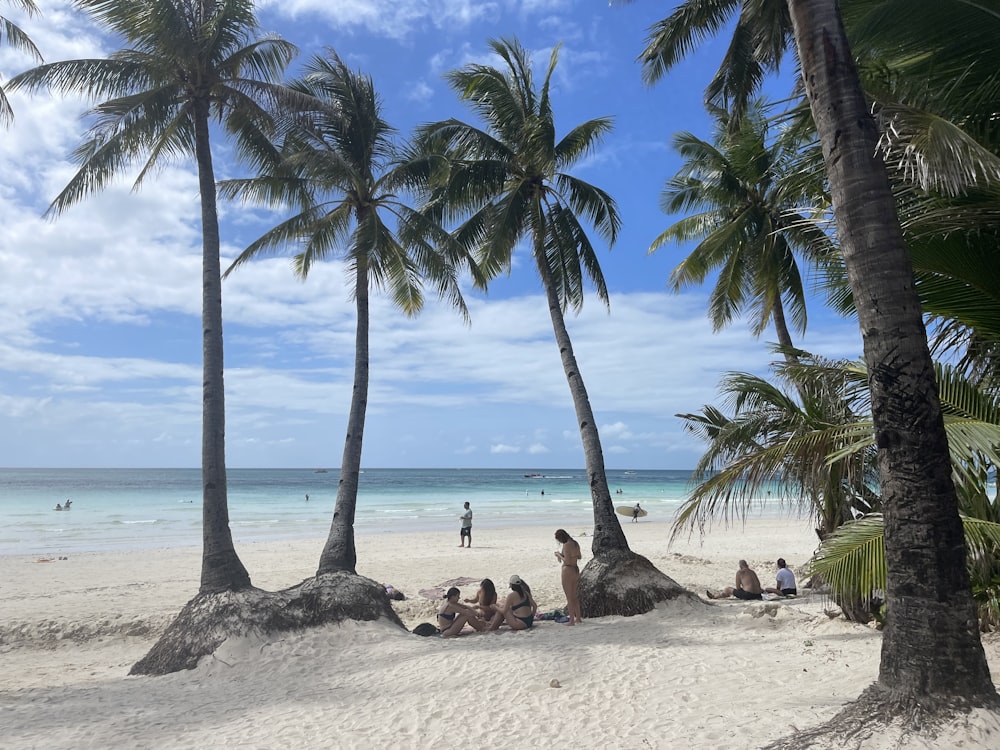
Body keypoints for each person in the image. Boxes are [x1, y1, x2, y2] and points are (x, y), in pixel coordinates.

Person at [554, 529, 583, 625]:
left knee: (569, 597)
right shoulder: (575, 543)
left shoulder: (566, 545)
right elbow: (579, 556)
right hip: (575, 569)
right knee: (575, 596)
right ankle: (578, 618)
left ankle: (571, 620)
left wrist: (559, 555)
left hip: (567, 570)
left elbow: (566, 561)